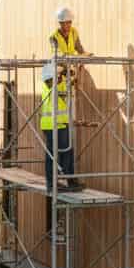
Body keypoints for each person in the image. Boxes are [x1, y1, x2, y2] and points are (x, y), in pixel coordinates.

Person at [39, 61, 76, 192]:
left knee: (68, 152)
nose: (61, 74)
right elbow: (52, 82)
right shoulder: (48, 76)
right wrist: (61, 72)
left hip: (62, 123)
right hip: (51, 124)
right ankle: (52, 184)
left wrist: (74, 74)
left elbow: (69, 84)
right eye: (59, 71)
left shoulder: (61, 80)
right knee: (53, 155)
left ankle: (70, 180)